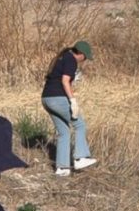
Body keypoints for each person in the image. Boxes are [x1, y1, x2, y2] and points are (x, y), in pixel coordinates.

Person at [41, 41, 97, 177]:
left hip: (46, 99)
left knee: (64, 132)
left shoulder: (63, 57)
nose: (84, 60)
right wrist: (72, 101)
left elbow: (59, 77)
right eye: (85, 57)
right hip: (58, 98)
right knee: (79, 124)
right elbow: (65, 80)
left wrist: (73, 78)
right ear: (81, 54)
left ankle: (62, 168)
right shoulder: (71, 59)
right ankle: (81, 157)